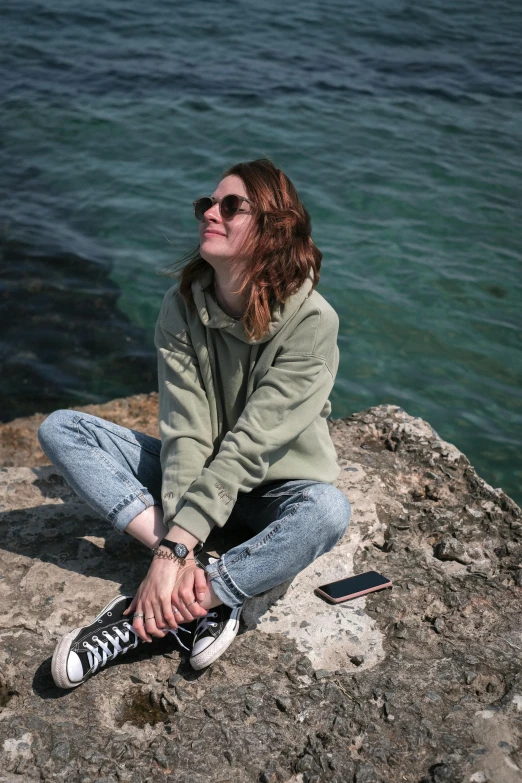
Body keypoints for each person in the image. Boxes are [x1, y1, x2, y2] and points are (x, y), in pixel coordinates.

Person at [38, 158, 351, 689]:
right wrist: (176, 549)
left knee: (327, 510)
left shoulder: (312, 321)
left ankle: (198, 598)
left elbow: (249, 448)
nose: (211, 211)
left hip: (274, 494)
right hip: (197, 488)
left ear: (274, 227)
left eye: (232, 205)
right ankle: (203, 581)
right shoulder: (181, 306)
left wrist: (173, 558)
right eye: (207, 203)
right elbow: (187, 432)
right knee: (63, 428)